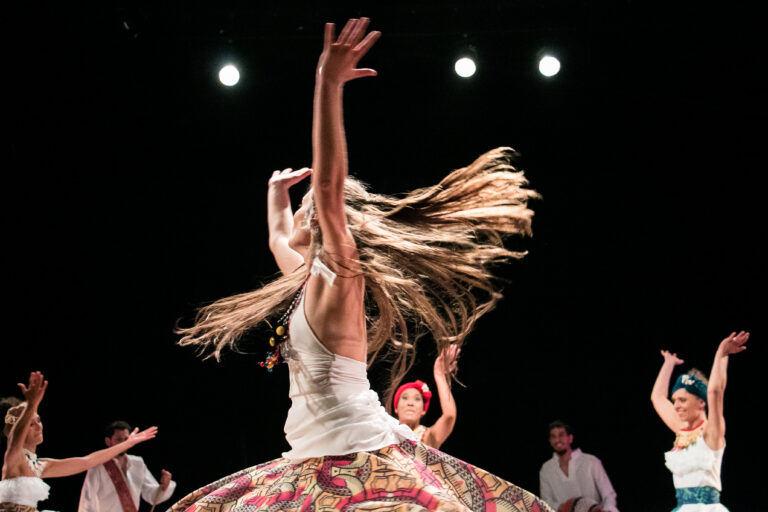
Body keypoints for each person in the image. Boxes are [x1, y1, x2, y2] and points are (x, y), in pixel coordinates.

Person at [172, 17, 548, 512]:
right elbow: (276, 237)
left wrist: (327, 85)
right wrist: (274, 194)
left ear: (326, 221)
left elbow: (328, 186)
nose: (306, 209)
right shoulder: (305, 282)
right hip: (315, 457)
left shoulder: (339, 274)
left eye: (310, 206)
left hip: (358, 454)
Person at [0, 372, 158, 512]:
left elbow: (87, 461)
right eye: (31, 424)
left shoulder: (39, 465)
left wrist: (128, 443)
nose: (39, 426)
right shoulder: (15, 459)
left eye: (39, 420)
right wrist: (31, 406)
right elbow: (14, 440)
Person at [651, 330, 749, 512]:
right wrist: (668, 364)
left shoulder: (712, 432)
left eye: (683, 400)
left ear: (701, 402)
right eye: (675, 401)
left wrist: (722, 354)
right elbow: (657, 397)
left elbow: (715, 391)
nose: (677, 406)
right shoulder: (682, 431)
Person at [78, 420, 175, 512]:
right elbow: (87, 501)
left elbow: (152, 496)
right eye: (119, 440)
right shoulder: (98, 465)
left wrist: (163, 486)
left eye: (126, 439)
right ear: (108, 441)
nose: (124, 443)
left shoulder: (138, 463)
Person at [538, 421, 619, 512]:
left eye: (561, 435)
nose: (557, 440)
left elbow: (608, 494)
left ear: (570, 438)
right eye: (553, 437)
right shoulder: (546, 469)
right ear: (550, 441)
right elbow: (546, 502)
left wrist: (608, 509)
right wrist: (564, 507)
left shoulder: (591, 462)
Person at [393, 345, 459, 449]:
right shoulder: (386, 432)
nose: (410, 403)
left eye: (417, 399)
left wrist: (439, 375)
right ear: (396, 408)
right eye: (405, 398)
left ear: (423, 410)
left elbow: (449, 416)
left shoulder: (428, 436)